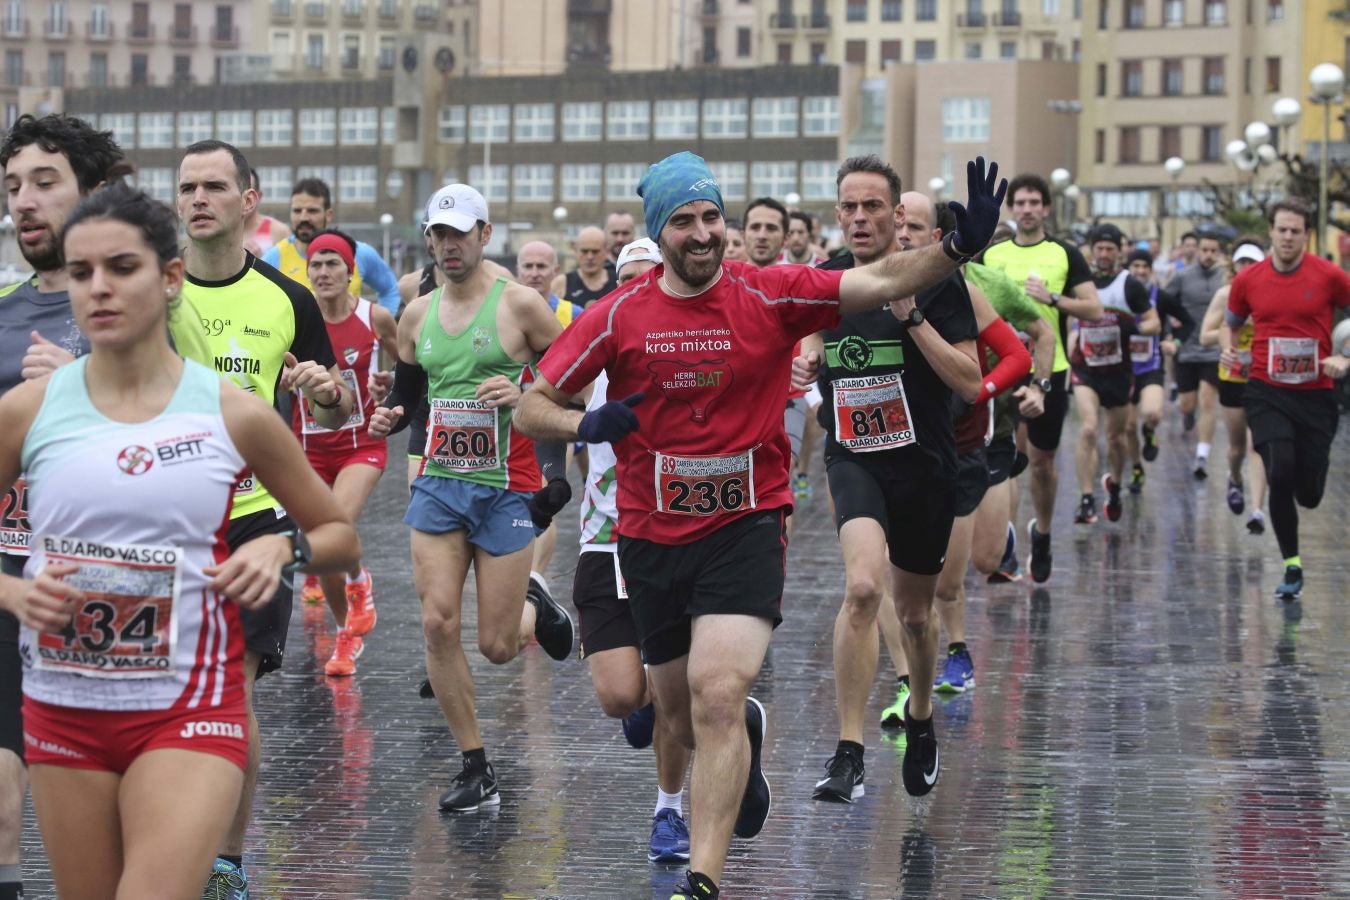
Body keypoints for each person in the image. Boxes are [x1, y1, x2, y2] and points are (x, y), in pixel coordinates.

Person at [515, 149, 1006, 900]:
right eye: (684, 221)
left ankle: (704, 879)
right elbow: (530, 402)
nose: (704, 233)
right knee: (675, 715)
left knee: (715, 690)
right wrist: (585, 422)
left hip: (747, 524)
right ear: (661, 232)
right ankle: (742, 735)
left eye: (714, 216)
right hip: (649, 536)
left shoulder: (771, 292)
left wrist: (954, 250)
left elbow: (876, 280)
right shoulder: (620, 313)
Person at [0, 184, 359, 900]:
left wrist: (280, 550)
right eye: (80, 272)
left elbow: (338, 534)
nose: (98, 288)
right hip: (65, 708)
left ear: (169, 279)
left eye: (122, 268)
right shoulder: (29, 409)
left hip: (190, 706)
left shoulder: (232, 413)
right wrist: (11, 589)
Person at [168, 139, 357, 899]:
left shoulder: (288, 298)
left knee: (232, 694)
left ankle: (227, 865)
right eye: (186, 188)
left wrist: (322, 388)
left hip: (253, 519)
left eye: (214, 186)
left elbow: (334, 397)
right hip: (163, 517)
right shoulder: (157, 289)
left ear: (250, 200)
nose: (198, 199)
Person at [367, 183, 575, 813]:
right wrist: (386, 416)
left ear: (485, 236)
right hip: (437, 485)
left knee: (497, 646)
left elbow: (573, 376)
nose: (448, 245)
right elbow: (407, 399)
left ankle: (537, 605)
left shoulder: (521, 306)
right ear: (427, 239)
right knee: (436, 622)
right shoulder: (416, 316)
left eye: (460, 233)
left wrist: (528, 395)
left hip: (506, 488)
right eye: (438, 234)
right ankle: (475, 764)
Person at [0, 112, 135, 900]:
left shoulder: (141, 315)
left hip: (111, 593)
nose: (24, 201)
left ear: (91, 194)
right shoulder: (2, 308)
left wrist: (84, 377)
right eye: (13, 186)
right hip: (10, 577)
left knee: (104, 814)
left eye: (45, 183)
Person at [570, 238, 694, 863]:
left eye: (651, 280)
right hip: (606, 541)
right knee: (622, 697)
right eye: (628, 282)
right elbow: (540, 397)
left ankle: (669, 810)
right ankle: (651, 696)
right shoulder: (593, 354)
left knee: (676, 695)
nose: (639, 293)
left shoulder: (693, 354)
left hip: (679, 539)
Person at [1223, 199, 1350, 599]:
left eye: (1296, 230)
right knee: (1279, 468)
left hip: (1316, 395)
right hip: (1266, 390)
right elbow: (1232, 323)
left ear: (1307, 234)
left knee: (1308, 494)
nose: (1289, 236)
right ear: (1271, 232)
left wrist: (1343, 355)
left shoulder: (1329, 275)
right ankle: (1291, 563)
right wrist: (1229, 351)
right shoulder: (1250, 279)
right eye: (1282, 229)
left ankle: (1310, 482)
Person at [980, 173, 1103, 582]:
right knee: (1010, 459)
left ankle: (1044, 532)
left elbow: (1094, 310)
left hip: (1052, 370)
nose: (1028, 209)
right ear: (1012, 209)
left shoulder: (1065, 253)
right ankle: (1007, 547)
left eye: (1035, 202)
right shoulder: (993, 256)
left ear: (1046, 208)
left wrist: (1053, 299)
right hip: (1003, 368)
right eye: (1021, 202)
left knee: (1042, 462)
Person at [292, 231, 398, 677]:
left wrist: (389, 383)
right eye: (316, 264)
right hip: (308, 449)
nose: (323, 272)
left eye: (333, 263)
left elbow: (406, 369)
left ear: (351, 271)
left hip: (360, 445)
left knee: (338, 525)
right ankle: (344, 632)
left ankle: (358, 581)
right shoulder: (294, 318)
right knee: (321, 550)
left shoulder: (375, 318)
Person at [1066, 224, 1158, 525]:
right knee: (1089, 429)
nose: (1104, 254)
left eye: (1110, 249)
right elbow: (1067, 315)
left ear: (1120, 251)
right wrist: (1071, 337)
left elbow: (1154, 322)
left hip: (1119, 372)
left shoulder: (1128, 284)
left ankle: (1115, 485)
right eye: (1099, 248)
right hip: (1086, 368)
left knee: (1116, 438)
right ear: (1092, 250)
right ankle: (1086, 498)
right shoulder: (1080, 280)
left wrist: (1134, 329)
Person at [1201, 238, 1268, 530]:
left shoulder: (1270, 294)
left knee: (1257, 443)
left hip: (1262, 377)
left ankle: (1257, 511)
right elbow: (1205, 336)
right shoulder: (1225, 295)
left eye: (1253, 262)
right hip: (1232, 376)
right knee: (1238, 446)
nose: (1247, 268)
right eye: (1243, 262)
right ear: (1234, 265)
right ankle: (1235, 478)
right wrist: (1229, 334)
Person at [263, 177, 401, 315]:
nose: (303, 218)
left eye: (312, 211)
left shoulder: (358, 253)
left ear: (328, 215)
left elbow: (391, 290)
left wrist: (377, 328)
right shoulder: (274, 258)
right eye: (297, 211)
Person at [1163, 233, 1227, 477]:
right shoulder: (1182, 276)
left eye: (1214, 250)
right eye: (1205, 250)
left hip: (1214, 349)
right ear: (1198, 251)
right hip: (1187, 348)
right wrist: (1170, 331)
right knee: (1189, 403)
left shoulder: (1225, 278)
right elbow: (1164, 303)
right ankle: (1188, 414)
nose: (1209, 255)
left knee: (1209, 400)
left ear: (1219, 253)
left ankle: (1202, 455)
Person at [555, 226, 617, 308]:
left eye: (595, 252)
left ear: (606, 251)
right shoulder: (561, 283)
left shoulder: (618, 282)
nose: (590, 257)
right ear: (575, 250)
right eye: (584, 251)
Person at [242, 167, 291, 258]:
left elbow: (288, 270)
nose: (244, 200)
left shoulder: (279, 231)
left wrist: (261, 262)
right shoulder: (219, 230)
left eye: (249, 195)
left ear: (258, 196)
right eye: (240, 192)